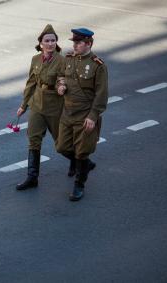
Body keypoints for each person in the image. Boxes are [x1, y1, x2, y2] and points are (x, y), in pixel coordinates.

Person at [55, 28, 108, 201]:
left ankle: (79, 185)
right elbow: (61, 75)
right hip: (67, 112)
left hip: (85, 114)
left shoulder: (97, 65)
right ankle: (85, 165)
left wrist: (93, 116)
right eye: (74, 43)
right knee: (61, 147)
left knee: (81, 152)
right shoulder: (69, 59)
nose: (75, 45)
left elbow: (101, 94)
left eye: (78, 43)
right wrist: (60, 85)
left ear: (89, 44)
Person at [16, 24, 66, 190]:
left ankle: (80, 163)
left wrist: (61, 87)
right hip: (37, 104)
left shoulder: (61, 60)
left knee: (62, 143)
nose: (50, 43)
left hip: (54, 105)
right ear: (41, 43)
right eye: (47, 40)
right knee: (33, 140)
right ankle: (32, 177)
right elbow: (31, 83)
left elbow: (62, 79)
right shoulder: (35, 59)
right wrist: (24, 105)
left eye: (53, 40)